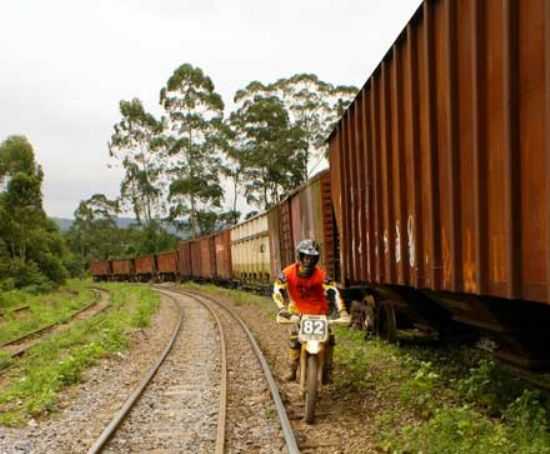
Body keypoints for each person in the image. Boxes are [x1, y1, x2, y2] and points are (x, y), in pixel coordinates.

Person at [273, 239, 350, 382]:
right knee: (294, 336)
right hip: (297, 312)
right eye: (306, 257)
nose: (308, 260)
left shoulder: (322, 275)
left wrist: (343, 311)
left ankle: (327, 370)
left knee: (329, 338)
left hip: (319, 313)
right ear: (300, 256)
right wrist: (282, 308)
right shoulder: (288, 272)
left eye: (312, 258)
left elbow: (334, 292)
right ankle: (292, 368)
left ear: (316, 259)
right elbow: (277, 289)